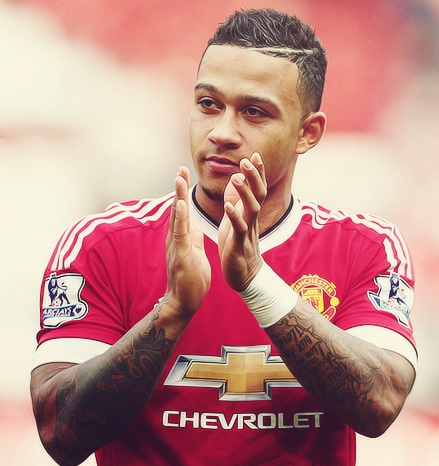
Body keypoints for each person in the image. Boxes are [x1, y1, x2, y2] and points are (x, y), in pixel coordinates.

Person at [30, 8, 417, 466]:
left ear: (307, 133)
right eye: (208, 104)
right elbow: (59, 433)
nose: (221, 132)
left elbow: (380, 403)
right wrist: (171, 313)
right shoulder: (103, 243)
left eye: (254, 112)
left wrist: (256, 283)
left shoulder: (365, 246)